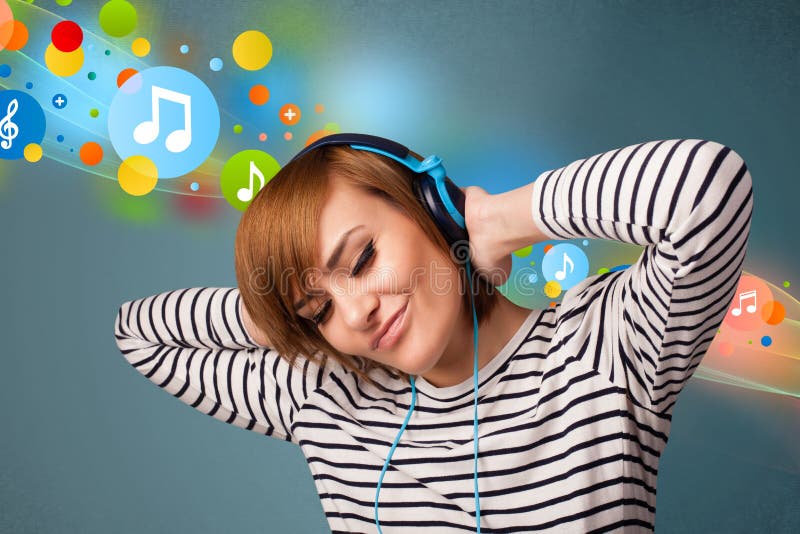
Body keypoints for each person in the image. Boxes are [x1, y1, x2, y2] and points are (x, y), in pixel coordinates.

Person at [114, 136, 753, 533]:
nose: (356, 313)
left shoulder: (605, 346)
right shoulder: (324, 397)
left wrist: (499, 218)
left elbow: (706, 187)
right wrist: (281, 303)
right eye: (320, 310)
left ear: (430, 208)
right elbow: (141, 335)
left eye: (361, 260)